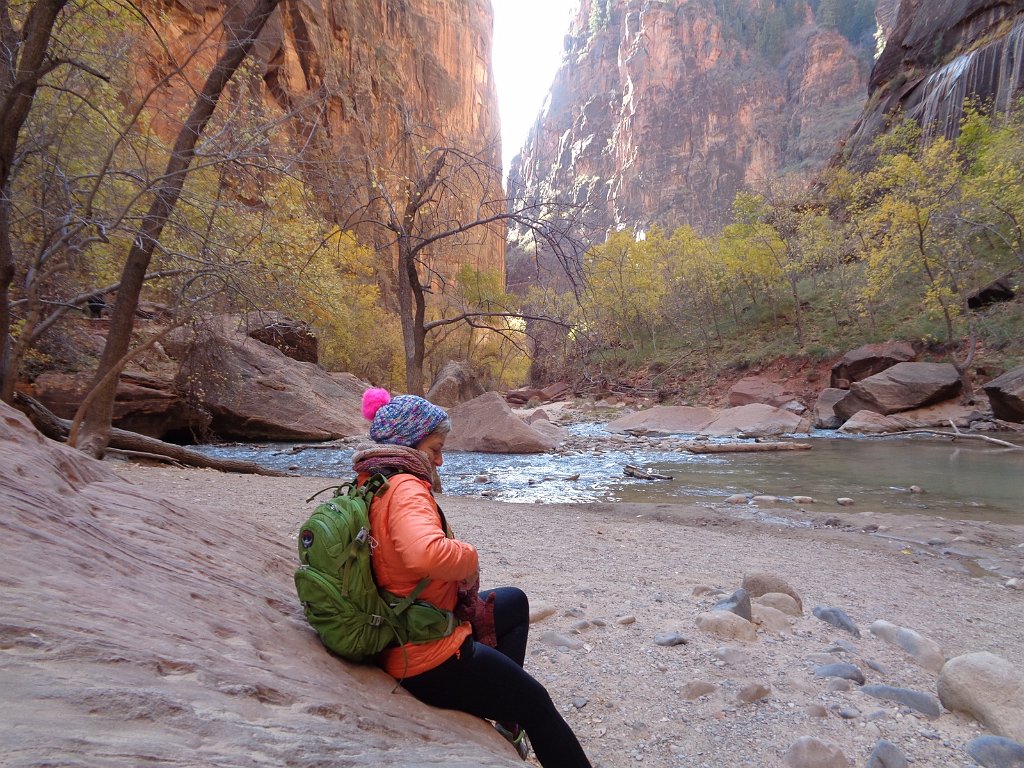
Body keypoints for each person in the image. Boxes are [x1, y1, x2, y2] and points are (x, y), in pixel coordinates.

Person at [354, 387, 593, 768]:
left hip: (401, 625)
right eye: (435, 449)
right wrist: (469, 553)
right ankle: (513, 708)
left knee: (513, 601)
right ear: (411, 445)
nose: (441, 460)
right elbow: (426, 553)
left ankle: (505, 720)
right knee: (538, 704)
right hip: (427, 657)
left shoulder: (373, 480)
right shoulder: (406, 489)